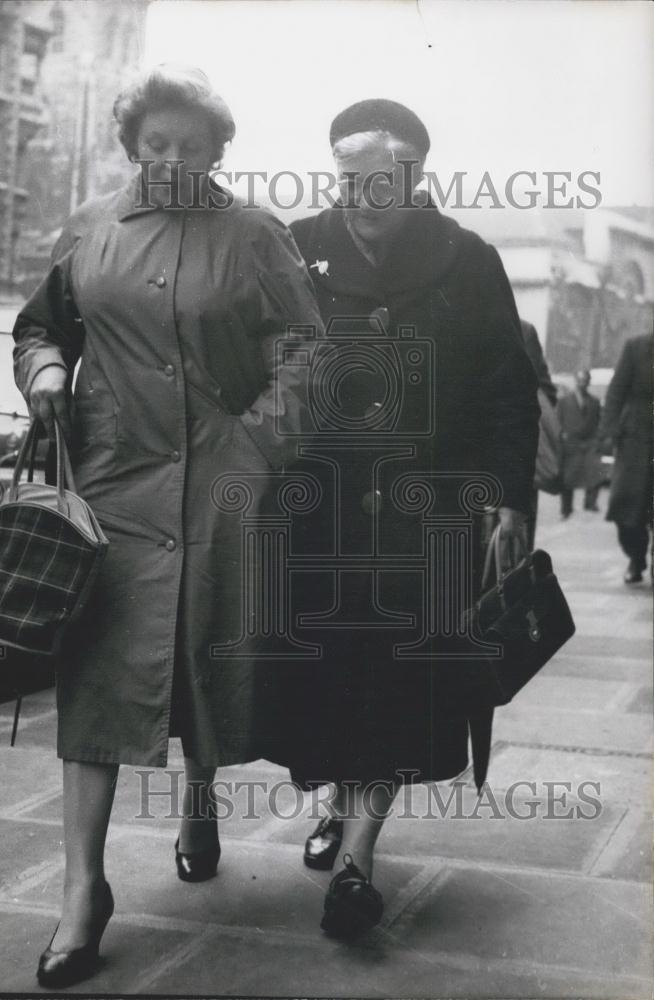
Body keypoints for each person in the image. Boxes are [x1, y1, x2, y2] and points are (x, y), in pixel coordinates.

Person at [12, 64, 321, 988]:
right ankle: (82, 893)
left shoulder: (257, 235)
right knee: (100, 678)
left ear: (220, 149)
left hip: (224, 483)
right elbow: (41, 327)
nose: (173, 160)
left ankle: (199, 800)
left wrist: (259, 446)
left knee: (200, 657)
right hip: (114, 485)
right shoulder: (89, 228)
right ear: (131, 147)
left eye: (192, 146)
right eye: (156, 145)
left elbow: (306, 349)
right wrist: (47, 378)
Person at [262, 98, 539, 938]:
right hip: (321, 513)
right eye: (345, 176)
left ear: (415, 176)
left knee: (397, 687)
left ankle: (357, 859)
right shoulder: (296, 245)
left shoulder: (468, 258)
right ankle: (338, 811)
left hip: (430, 515)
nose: (357, 193)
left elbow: (506, 391)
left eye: (376, 177)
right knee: (327, 679)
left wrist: (510, 499)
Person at [599, 333, 654, 584]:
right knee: (626, 508)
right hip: (635, 440)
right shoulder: (636, 346)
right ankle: (636, 556)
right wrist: (609, 432)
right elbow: (616, 391)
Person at [520, 319, 558, 547]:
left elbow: (544, 394)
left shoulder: (523, 330)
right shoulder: (522, 329)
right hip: (517, 452)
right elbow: (546, 393)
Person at [556, 369, 602, 518]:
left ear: (589, 382)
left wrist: (597, 439)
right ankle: (566, 508)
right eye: (580, 380)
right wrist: (561, 436)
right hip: (570, 444)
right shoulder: (564, 401)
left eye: (585, 380)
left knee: (595, 473)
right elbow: (558, 422)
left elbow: (598, 422)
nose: (583, 383)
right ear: (576, 381)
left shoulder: (594, 402)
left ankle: (590, 503)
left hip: (589, 443)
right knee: (567, 479)